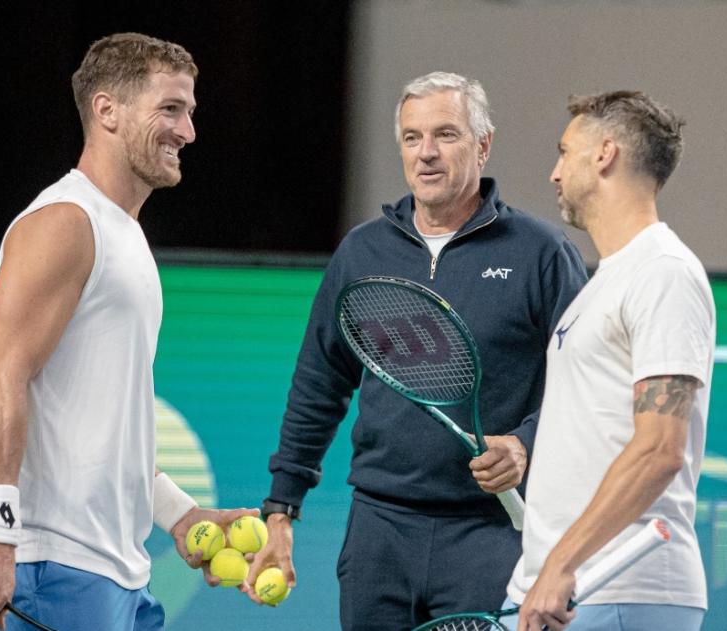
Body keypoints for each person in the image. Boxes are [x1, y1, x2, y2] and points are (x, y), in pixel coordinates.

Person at [247, 71, 588, 630]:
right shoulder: (362, 252)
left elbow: (585, 389)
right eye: (412, 137)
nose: (426, 154)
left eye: (446, 135)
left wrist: (526, 444)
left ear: (484, 144)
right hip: (380, 530)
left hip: (492, 533)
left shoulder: (542, 254)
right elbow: (319, 383)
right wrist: (282, 507)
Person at [0, 33, 257, 630]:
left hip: (118, 573)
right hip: (57, 569)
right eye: (170, 109)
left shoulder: (127, 237)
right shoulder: (65, 222)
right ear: (107, 110)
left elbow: (99, 429)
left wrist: (180, 514)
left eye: (190, 112)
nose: (188, 131)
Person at [506, 91, 715, 631]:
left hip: (617, 585)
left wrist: (562, 562)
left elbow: (659, 450)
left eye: (564, 151)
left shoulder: (664, 273)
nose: (554, 174)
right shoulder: (606, 282)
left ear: (604, 154)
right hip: (565, 589)